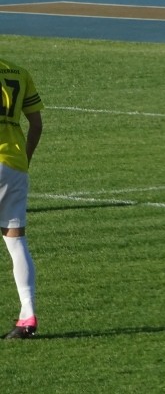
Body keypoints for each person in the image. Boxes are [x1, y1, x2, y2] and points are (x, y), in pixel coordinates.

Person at [1, 56, 44, 339]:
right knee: (16, 241)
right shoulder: (18, 71)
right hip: (15, 164)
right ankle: (27, 316)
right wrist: (24, 160)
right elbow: (36, 124)